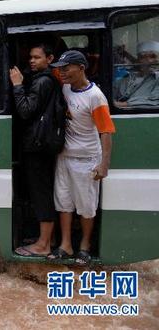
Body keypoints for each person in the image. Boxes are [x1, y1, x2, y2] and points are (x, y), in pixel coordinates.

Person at [48, 50, 115, 265]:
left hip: (86, 159)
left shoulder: (95, 96)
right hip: (65, 157)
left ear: (81, 69)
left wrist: (104, 164)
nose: (62, 72)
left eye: (66, 68)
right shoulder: (66, 84)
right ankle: (65, 245)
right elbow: (50, 68)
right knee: (64, 202)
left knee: (86, 206)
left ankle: (84, 246)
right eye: (61, 68)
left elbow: (106, 132)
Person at [9, 43, 58, 257]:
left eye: (37, 57)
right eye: (30, 57)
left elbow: (26, 110)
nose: (31, 61)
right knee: (40, 190)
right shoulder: (43, 79)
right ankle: (46, 237)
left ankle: (44, 245)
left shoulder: (43, 82)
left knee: (41, 192)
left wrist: (18, 85)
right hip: (40, 144)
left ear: (49, 58)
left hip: (37, 146)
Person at [114, 40, 159, 108]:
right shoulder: (127, 78)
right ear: (138, 60)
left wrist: (123, 104)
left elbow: (154, 100)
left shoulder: (157, 79)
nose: (149, 60)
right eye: (143, 57)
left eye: (153, 56)